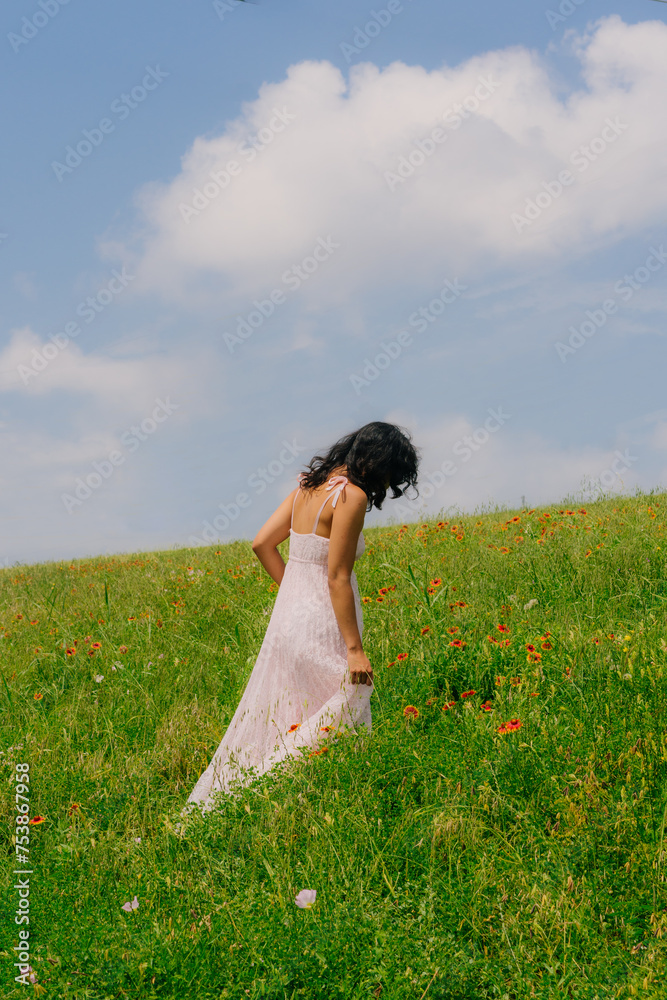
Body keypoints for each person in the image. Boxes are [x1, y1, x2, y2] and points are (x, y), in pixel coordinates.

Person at [182, 421, 420, 816]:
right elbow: (338, 576)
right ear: (380, 464)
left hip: (290, 619)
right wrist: (355, 649)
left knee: (294, 711)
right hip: (324, 624)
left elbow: (262, 543)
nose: (387, 485)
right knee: (348, 701)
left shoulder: (306, 489)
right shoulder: (351, 496)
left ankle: (279, 800)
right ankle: (269, 790)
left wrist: (294, 594)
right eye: (391, 474)